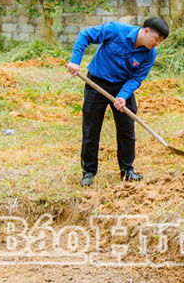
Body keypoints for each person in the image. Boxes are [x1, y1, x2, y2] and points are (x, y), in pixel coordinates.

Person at [66, 17, 170, 187]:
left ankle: (127, 170)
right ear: (145, 31)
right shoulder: (115, 30)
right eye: (157, 38)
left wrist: (123, 95)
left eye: (161, 41)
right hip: (97, 82)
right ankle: (88, 172)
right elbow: (85, 35)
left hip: (122, 87)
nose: (157, 43)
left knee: (127, 130)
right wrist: (75, 61)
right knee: (91, 129)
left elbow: (137, 77)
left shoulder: (150, 53)